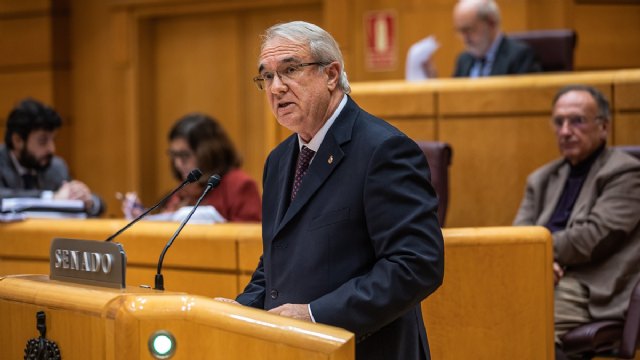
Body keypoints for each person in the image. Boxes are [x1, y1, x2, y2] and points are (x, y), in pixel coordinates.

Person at [220, 21, 444, 360]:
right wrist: (242, 309)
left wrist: (315, 315)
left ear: (331, 74)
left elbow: (415, 265)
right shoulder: (279, 161)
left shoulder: (383, 150)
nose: (276, 88)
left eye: (290, 70)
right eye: (267, 77)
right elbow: (278, 262)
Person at [513, 85, 640, 357]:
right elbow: (519, 237)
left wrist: (541, 254)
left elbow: (593, 238)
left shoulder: (626, 172)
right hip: (542, 275)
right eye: (559, 122)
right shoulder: (541, 178)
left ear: (604, 127)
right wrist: (541, 261)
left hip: (589, 287)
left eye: (577, 121)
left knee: (523, 323)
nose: (566, 131)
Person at [122, 113, 261, 222]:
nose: (177, 163)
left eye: (184, 155)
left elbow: (250, 238)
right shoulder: (183, 189)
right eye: (173, 155)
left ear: (208, 153)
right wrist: (143, 218)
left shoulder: (239, 184)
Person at [0, 98, 104, 216]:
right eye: (43, 141)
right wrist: (51, 198)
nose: (51, 149)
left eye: (53, 140)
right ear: (17, 140)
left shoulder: (56, 167)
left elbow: (99, 204)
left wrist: (87, 200)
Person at [452, 0, 541, 77]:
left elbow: (527, 95)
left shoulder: (520, 57)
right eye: (460, 31)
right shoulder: (463, 60)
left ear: (491, 23)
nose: (464, 37)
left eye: (469, 30)